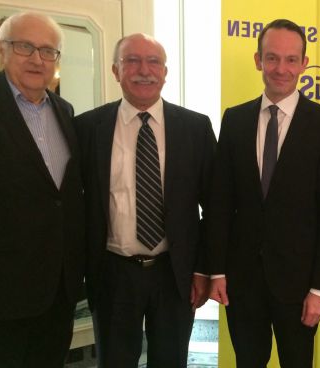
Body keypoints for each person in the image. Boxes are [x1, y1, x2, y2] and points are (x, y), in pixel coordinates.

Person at [207, 18, 320, 368]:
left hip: (300, 286)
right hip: (242, 281)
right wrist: (216, 271)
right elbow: (220, 202)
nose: (280, 68)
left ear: (303, 63)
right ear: (258, 60)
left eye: (290, 59)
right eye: (272, 58)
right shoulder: (235, 120)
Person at [75, 33, 216, 367]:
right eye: (132, 61)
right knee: (115, 360)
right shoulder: (86, 127)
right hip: (112, 271)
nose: (144, 70)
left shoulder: (195, 127)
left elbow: (214, 205)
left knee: (171, 360)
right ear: (115, 70)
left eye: (153, 61)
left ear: (165, 72)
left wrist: (203, 269)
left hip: (175, 273)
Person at [0, 12, 84, 368]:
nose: (37, 59)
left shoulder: (65, 111)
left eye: (48, 50)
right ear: (2, 50)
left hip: (58, 288)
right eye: (25, 47)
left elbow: (62, 198)